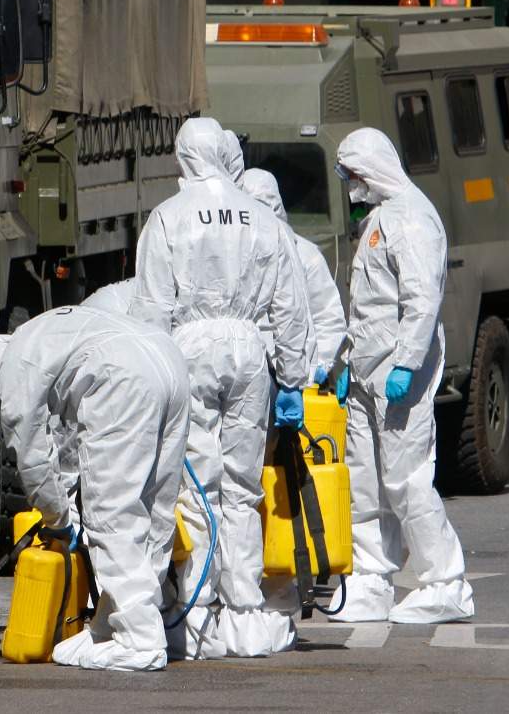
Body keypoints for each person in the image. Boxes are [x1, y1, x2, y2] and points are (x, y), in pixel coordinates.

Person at [130, 119, 311, 658]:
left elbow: (151, 307)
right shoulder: (261, 217)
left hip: (190, 350)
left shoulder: (167, 217)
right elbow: (291, 303)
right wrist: (294, 378)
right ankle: (245, 607)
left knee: (195, 484)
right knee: (243, 486)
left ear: (185, 157)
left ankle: (198, 606)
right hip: (250, 352)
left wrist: (151, 379)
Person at [0, 304, 189, 671]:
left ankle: (139, 639)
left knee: (111, 513)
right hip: (167, 358)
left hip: (121, 373)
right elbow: (68, 442)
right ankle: (121, 623)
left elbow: (31, 453)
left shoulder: (14, 365)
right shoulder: (47, 332)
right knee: (155, 508)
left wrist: (57, 518)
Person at [331, 127, 474, 625]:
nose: (348, 184)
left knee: (406, 477)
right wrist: (350, 363)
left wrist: (407, 363)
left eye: (351, 174)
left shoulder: (412, 219)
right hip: (369, 370)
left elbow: (420, 302)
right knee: (365, 479)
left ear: (369, 170)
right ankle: (371, 579)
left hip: (397, 373)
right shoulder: (379, 218)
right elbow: (368, 306)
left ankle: (445, 582)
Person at [241, 168, 349, 378]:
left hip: (300, 372)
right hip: (249, 373)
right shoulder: (234, 256)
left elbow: (328, 316)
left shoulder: (306, 254)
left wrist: (319, 365)